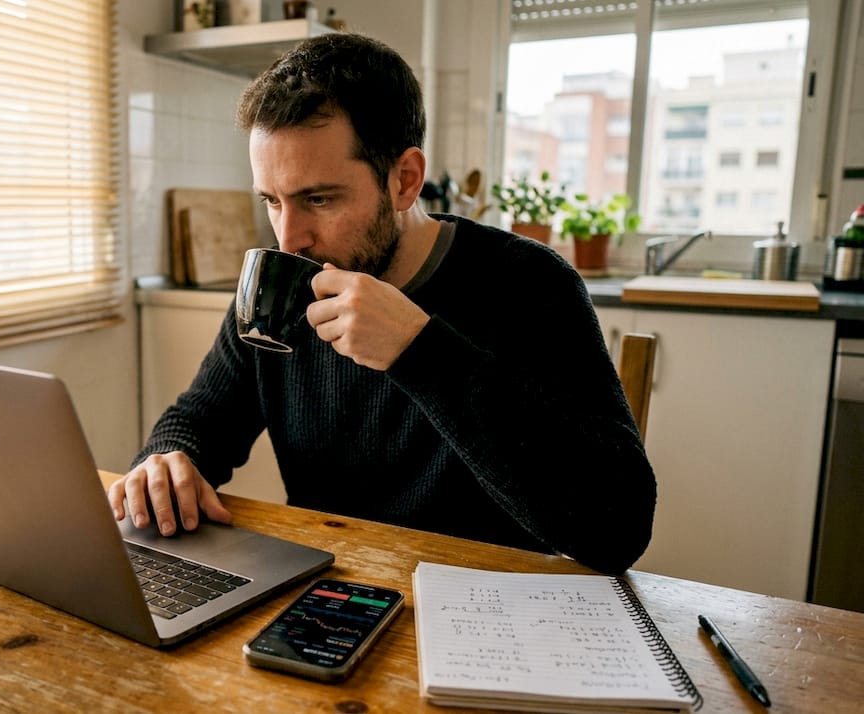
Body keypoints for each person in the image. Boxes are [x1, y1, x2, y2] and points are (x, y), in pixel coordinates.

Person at [108, 32, 656, 575]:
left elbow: (617, 530)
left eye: (318, 199)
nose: (289, 238)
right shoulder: (284, 283)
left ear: (405, 180)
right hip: (329, 593)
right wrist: (166, 461)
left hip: (484, 613)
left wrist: (418, 351)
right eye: (272, 201)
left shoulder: (528, 285)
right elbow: (199, 421)